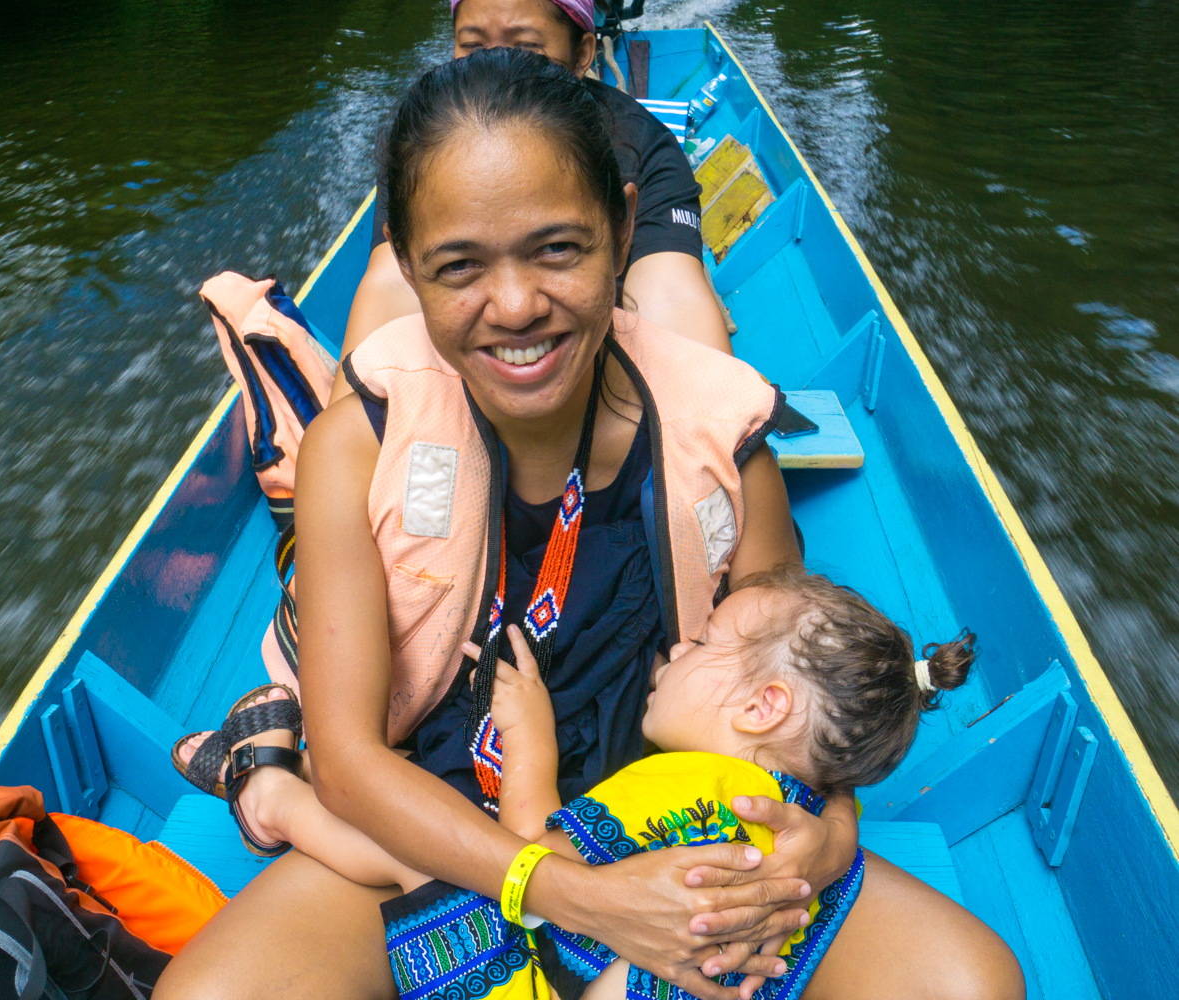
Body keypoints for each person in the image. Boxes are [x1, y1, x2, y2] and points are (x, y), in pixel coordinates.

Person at [157, 49, 1015, 1000]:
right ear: (405, 262)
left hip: (676, 818)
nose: (517, 305)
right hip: (437, 819)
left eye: (558, 248)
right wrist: (579, 898)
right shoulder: (356, 447)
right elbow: (353, 765)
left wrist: (831, 834)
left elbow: (796, 685)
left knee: (967, 982)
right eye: (459, 267)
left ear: (621, 229)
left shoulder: (721, 440)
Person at [173, 567, 1017, 1000]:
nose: (678, 648)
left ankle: (271, 793)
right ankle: (278, 789)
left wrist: (529, 742)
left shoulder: (684, 785)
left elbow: (532, 854)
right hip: (611, 963)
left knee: (425, 867)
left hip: (543, 977)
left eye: (706, 641)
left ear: (763, 706)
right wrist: (839, 818)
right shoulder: (782, 813)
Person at [331, 0, 730, 409]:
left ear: (582, 54)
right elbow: (390, 288)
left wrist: (707, 419)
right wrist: (355, 420)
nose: (500, 65)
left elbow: (670, 294)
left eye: (525, 47)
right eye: (472, 46)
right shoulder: (428, 144)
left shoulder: (641, 144)